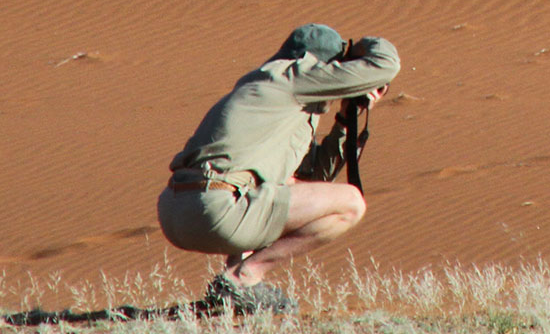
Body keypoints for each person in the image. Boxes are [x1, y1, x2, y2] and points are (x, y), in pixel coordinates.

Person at [157, 23, 399, 313]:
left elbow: (312, 179)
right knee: (351, 203)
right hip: (216, 209)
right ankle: (244, 276)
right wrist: (359, 51)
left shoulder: (266, 88)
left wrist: (347, 120)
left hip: (177, 212)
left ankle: (232, 294)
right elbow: (386, 64)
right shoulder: (293, 77)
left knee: (279, 186)